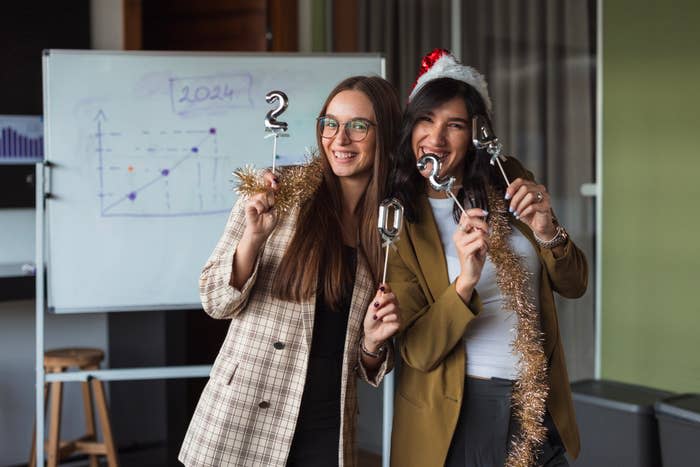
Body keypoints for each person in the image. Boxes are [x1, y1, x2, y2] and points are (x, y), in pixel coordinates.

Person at [179, 75, 402, 467]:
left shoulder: (390, 224)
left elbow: (370, 367)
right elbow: (214, 301)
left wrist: (372, 343)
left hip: (327, 424)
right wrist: (252, 238)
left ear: (384, 134)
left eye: (358, 126)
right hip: (243, 413)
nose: (340, 139)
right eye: (330, 123)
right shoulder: (280, 192)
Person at [388, 49, 588, 467]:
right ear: (411, 127)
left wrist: (548, 231)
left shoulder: (508, 176)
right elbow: (419, 352)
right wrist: (465, 281)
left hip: (537, 399)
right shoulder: (399, 217)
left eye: (455, 125)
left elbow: (574, 285)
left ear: (476, 135)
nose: (436, 138)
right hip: (461, 411)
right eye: (427, 120)